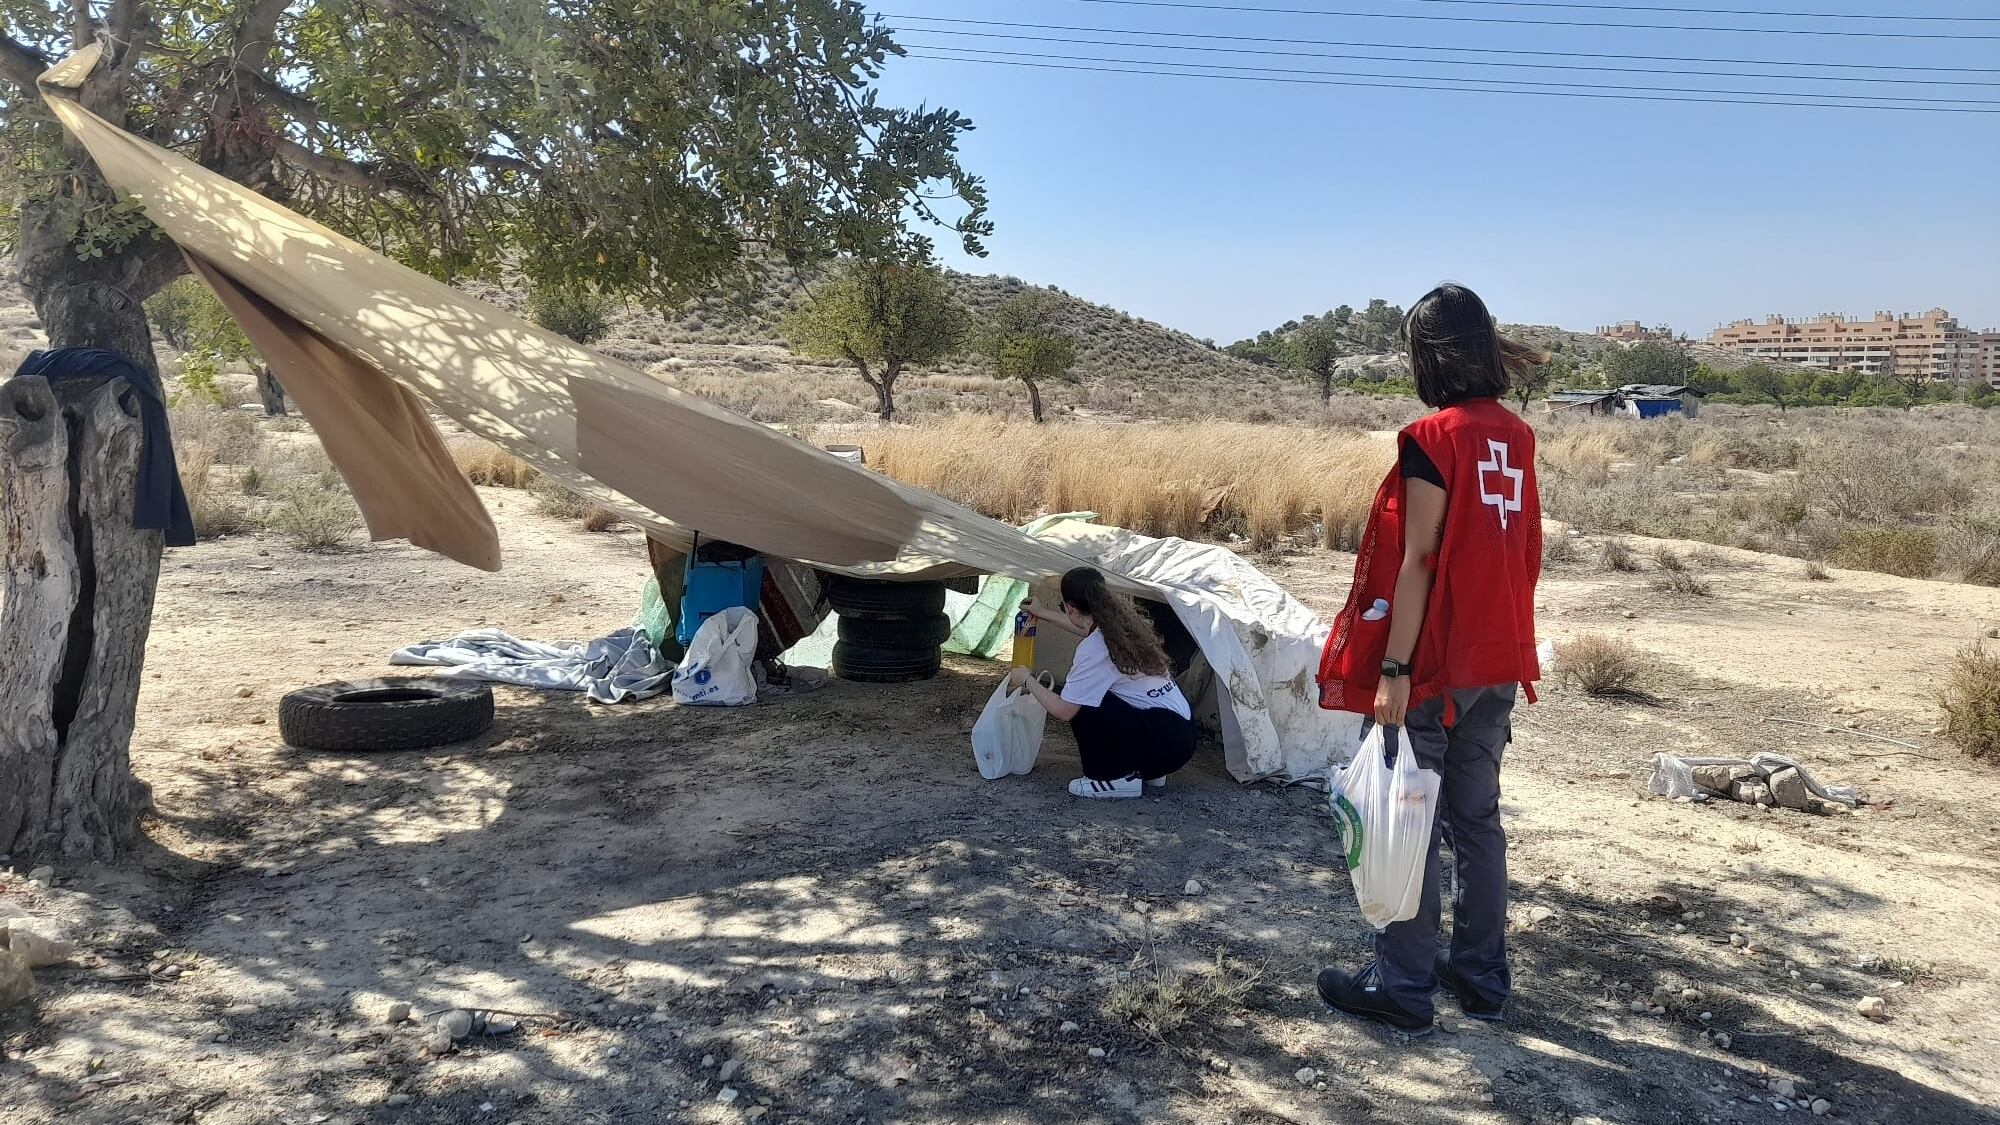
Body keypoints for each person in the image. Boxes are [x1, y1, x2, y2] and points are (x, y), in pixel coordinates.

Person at [1313, 282, 1546, 1034]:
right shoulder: (1516, 435)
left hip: (1438, 666)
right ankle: (1482, 974)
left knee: (1404, 813)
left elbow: (1417, 561)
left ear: (1427, 356)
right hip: (1499, 656)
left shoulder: (1433, 438)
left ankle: (1404, 984)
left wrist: (1393, 669)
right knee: (1477, 821)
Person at [1008, 567, 1197, 799]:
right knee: (1101, 693)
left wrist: (1027, 679)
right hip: (1181, 739)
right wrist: (1042, 613)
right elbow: (1086, 628)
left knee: (1082, 701)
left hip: (1162, 743)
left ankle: (1113, 778)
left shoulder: (1094, 649)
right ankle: (1148, 771)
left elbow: (1064, 710)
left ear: (1069, 608)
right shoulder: (1123, 626)